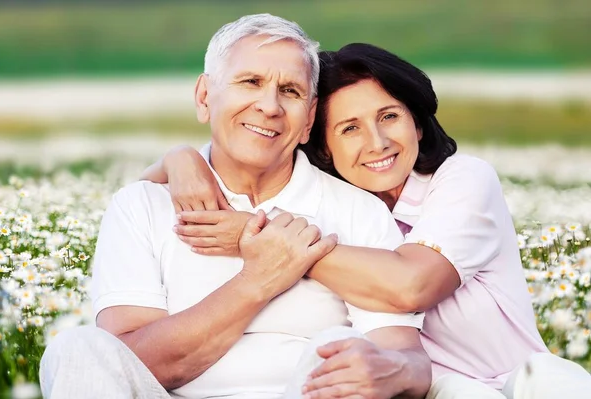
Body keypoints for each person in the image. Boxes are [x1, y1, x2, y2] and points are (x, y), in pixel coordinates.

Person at [143, 43, 591, 398]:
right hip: (412, 387)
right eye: (350, 128)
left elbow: (410, 286)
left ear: (417, 123)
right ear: (322, 148)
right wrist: (181, 158)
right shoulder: (339, 203)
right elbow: (144, 188)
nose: (377, 142)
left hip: (513, 383)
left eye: (389, 117)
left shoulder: (462, 180)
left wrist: (258, 238)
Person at [39, 14, 432, 399]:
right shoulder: (140, 206)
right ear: (205, 97)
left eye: (290, 91)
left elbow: (405, 356)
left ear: (310, 118)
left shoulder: (357, 211)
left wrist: (382, 369)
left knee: (341, 347)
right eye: (250, 82)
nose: (270, 106)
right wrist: (259, 279)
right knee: (75, 348)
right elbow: (127, 362)